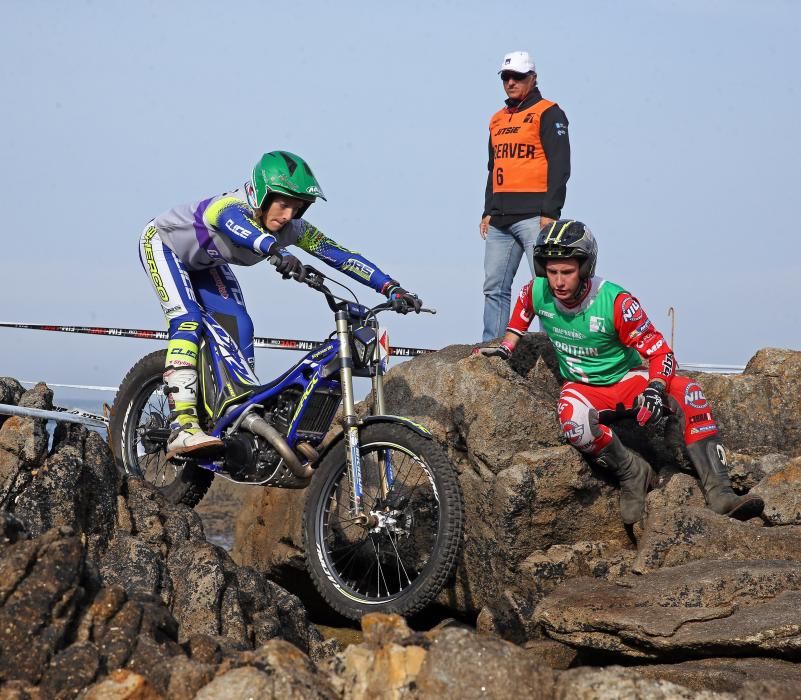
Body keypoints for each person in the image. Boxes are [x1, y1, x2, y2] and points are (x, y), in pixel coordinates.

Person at [475, 219, 764, 525]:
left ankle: (720, 493)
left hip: (628, 381)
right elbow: (523, 309)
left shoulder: (615, 301)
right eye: (552, 271)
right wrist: (506, 346)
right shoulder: (537, 291)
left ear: (585, 267)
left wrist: (654, 388)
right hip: (583, 388)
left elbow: (660, 352)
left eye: (567, 272)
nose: (558, 281)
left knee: (688, 391)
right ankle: (633, 473)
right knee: (571, 421)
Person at [140, 150, 421, 459]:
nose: (288, 215)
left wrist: (390, 287)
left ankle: (235, 417)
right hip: (163, 246)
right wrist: (274, 249)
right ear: (262, 194)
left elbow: (341, 256)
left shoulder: (292, 230)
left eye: (297, 208)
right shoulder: (230, 206)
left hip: (207, 262)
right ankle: (182, 426)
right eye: (283, 204)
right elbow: (235, 225)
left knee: (241, 325)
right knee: (188, 319)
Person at [480, 50, 571, 342]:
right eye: (506, 77)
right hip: (500, 219)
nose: (511, 82)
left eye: (517, 76)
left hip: (535, 216)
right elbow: (494, 167)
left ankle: (550, 346)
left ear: (532, 77)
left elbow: (560, 165)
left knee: (544, 285)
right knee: (494, 286)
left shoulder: (549, 111)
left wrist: (551, 211)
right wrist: (487, 210)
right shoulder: (496, 119)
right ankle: (492, 347)